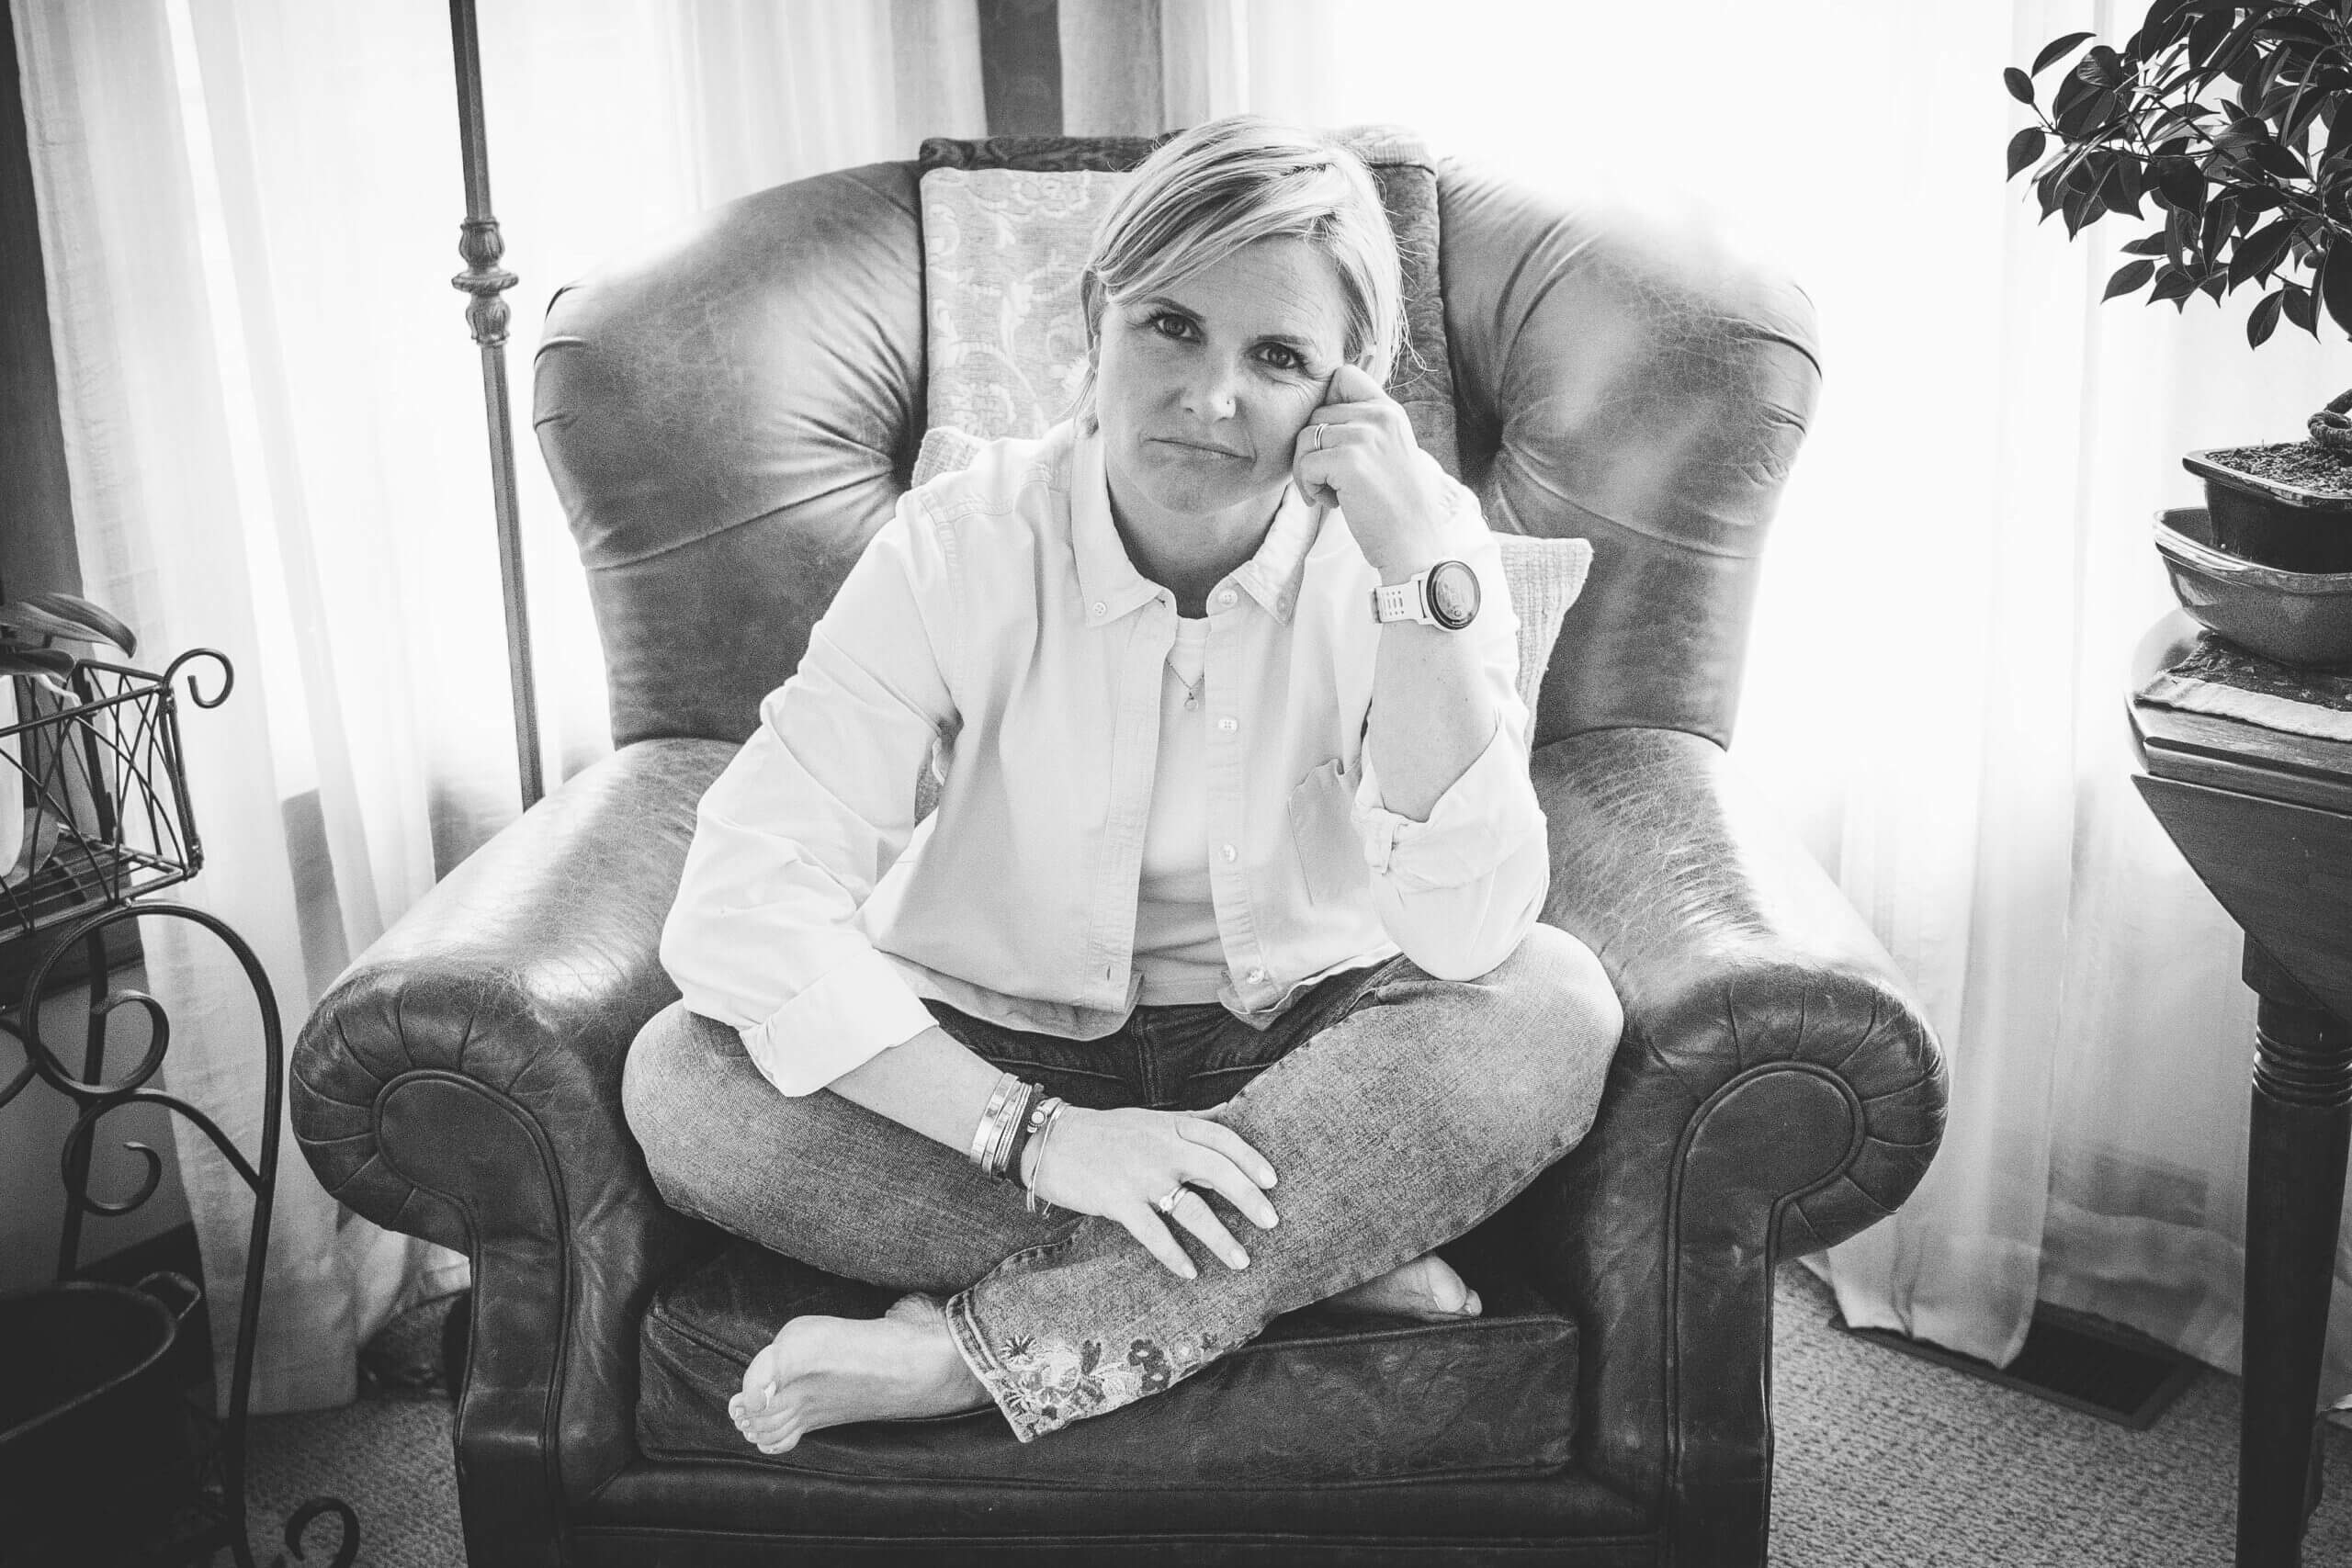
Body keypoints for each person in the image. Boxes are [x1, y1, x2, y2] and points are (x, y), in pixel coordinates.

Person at [622, 115, 1623, 1452]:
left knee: (1552, 1004)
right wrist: (1040, 1139)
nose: (1213, 399)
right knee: (684, 1083)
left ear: (1349, 387)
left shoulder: (1418, 550)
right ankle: (1312, 1252)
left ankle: (973, 1355)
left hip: (1308, 1053)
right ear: (1096, 316)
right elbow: (743, 898)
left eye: (1277, 357)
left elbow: (1465, 933)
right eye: (1170, 327)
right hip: (997, 1049)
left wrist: (1414, 588)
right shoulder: (958, 543)